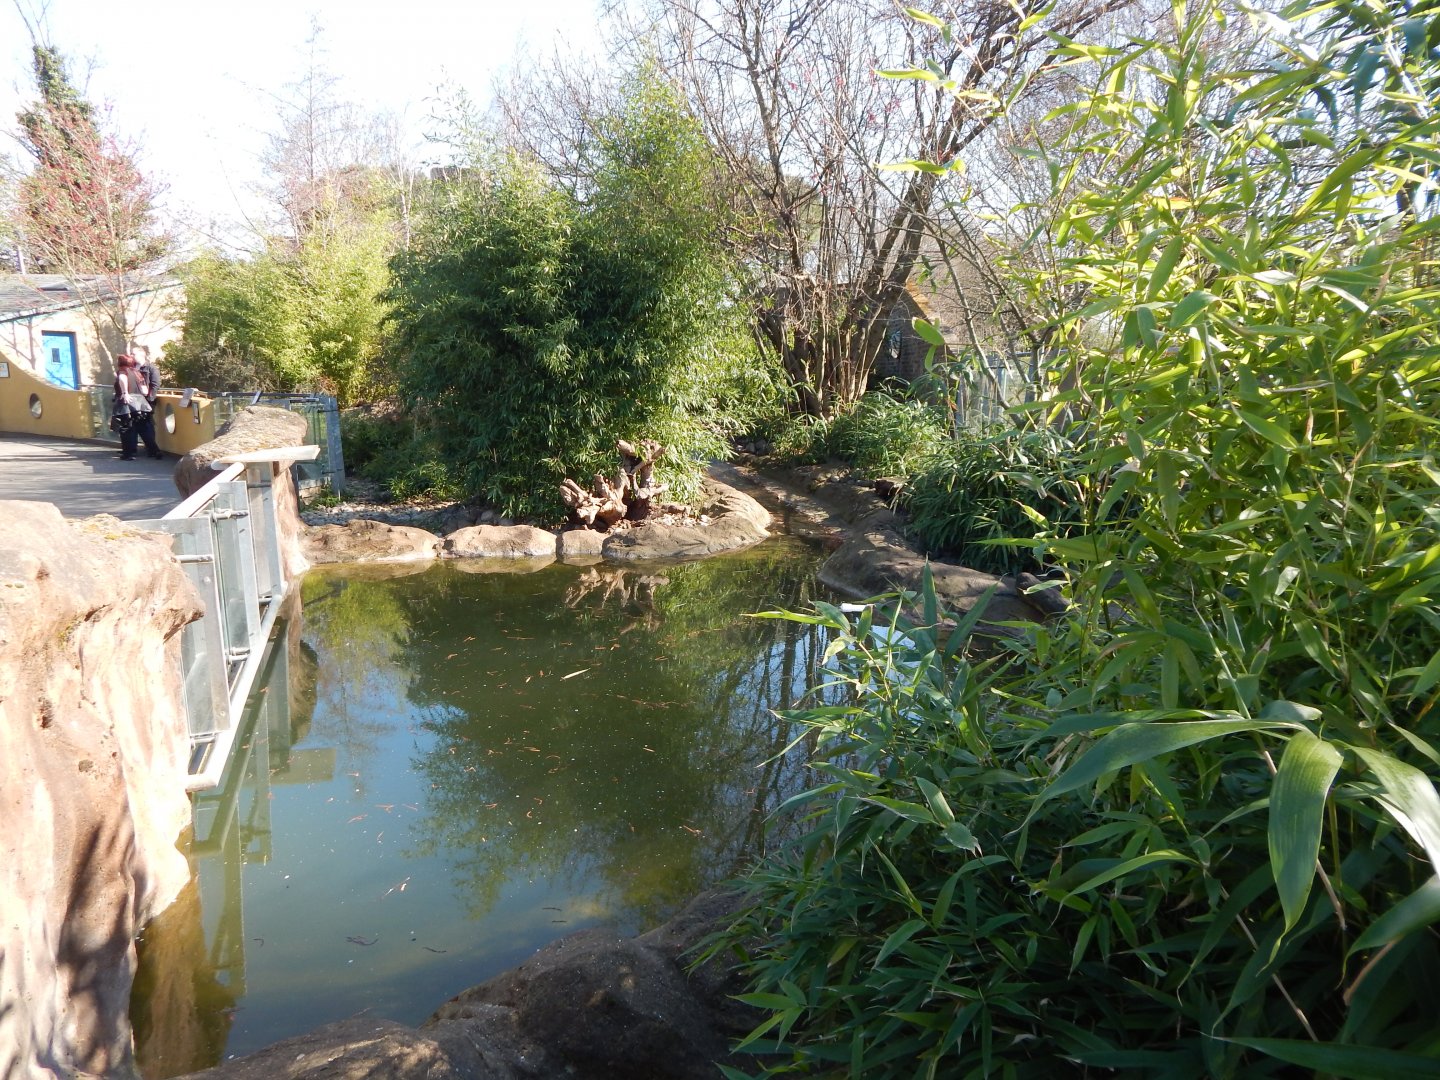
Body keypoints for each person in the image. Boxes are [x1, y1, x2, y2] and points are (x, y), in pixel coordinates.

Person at [111, 354, 152, 462]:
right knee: (144, 428)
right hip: (140, 402)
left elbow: (122, 378)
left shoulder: (122, 371)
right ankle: (154, 451)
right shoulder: (137, 372)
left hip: (127, 402)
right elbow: (145, 391)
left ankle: (128, 453)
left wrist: (125, 393)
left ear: (120, 363)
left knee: (126, 429)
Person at [133, 345, 163, 459]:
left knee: (146, 424)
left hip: (146, 401)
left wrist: (150, 399)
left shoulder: (151, 368)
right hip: (135, 400)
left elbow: (155, 385)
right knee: (139, 425)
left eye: (133, 354)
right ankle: (148, 448)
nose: (131, 356)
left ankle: (153, 450)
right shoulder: (133, 368)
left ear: (142, 354)